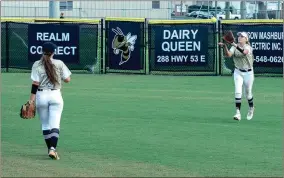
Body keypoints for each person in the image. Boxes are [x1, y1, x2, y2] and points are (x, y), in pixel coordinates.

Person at [28, 42, 72, 160]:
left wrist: (31, 100)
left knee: (45, 125)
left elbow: (35, 83)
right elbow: (68, 79)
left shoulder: (37, 64)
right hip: (55, 95)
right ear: (54, 52)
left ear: (42, 51)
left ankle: (50, 149)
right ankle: (52, 149)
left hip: (41, 96)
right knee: (55, 124)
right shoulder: (59, 63)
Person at [218, 32, 255, 121]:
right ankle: (238, 113)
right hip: (238, 72)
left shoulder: (248, 47)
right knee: (238, 91)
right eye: (239, 36)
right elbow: (228, 55)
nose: (239, 37)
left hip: (248, 73)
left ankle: (251, 108)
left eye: (242, 36)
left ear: (246, 39)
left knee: (248, 94)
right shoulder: (234, 46)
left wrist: (233, 44)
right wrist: (225, 46)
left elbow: (245, 52)